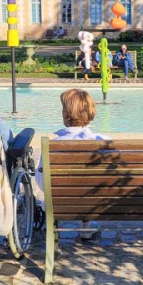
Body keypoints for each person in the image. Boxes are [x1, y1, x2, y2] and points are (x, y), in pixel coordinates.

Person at [35, 89, 108, 240]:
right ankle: (86, 227)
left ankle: (55, 228)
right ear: (90, 111)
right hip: (95, 202)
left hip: (60, 203)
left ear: (65, 113)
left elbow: (41, 183)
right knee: (89, 185)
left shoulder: (52, 145)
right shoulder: (104, 141)